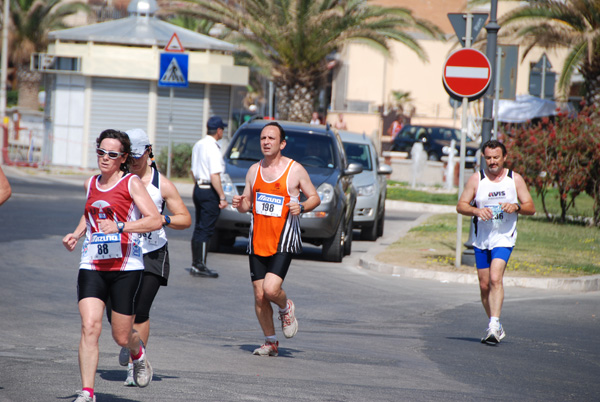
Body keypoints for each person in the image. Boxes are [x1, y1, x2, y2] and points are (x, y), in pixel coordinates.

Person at [62, 129, 162, 402]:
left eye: (112, 154)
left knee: (121, 335)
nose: (105, 158)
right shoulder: (90, 183)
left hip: (125, 267)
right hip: (92, 262)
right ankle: (87, 392)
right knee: (90, 326)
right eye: (101, 152)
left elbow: (155, 220)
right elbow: (90, 214)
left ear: (123, 158)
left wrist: (120, 226)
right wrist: (76, 234)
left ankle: (137, 352)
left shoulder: (132, 184)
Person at [107, 128, 191, 386]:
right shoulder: (117, 179)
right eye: (128, 156)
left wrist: (162, 219)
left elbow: (185, 219)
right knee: (114, 313)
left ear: (148, 152)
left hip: (153, 253)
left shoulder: (161, 185)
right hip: (121, 252)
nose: (132, 161)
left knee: (140, 311)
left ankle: (136, 367)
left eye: (137, 155)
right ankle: (130, 341)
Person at [232, 122, 321, 356]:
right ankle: (270, 342)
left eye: (271, 138)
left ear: (282, 143)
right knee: (260, 294)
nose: (266, 142)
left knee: (271, 290)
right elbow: (248, 205)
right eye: (263, 138)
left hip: (283, 239)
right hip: (257, 240)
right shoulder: (254, 170)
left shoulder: (295, 170)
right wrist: (241, 205)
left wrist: (301, 206)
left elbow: (315, 197)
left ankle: (285, 306)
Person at [456, 140, 535, 345]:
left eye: (496, 157)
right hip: (482, 238)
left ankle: (493, 325)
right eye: (489, 158)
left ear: (504, 157)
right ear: (484, 158)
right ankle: (495, 323)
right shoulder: (477, 179)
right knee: (484, 286)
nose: (492, 161)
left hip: (504, 237)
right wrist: (476, 210)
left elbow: (530, 207)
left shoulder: (514, 180)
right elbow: (461, 205)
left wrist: (515, 207)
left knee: (494, 277)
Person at [189, 116, 229, 278]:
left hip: (198, 187)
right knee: (206, 229)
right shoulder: (213, 147)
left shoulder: (199, 144)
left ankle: (195, 262)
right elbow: (214, 175)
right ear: (218, 130)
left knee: (199, 227)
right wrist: (222, 197)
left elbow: (192, 170)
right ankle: (200, 265)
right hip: (209, 190)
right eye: (222, 130)